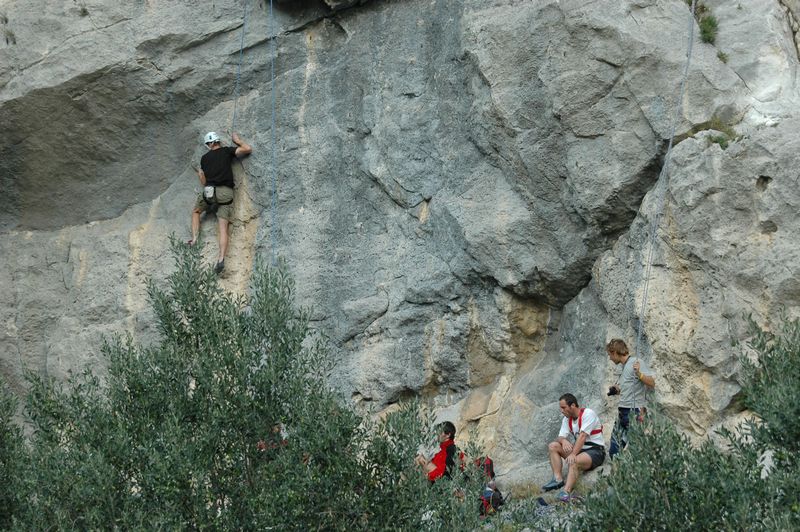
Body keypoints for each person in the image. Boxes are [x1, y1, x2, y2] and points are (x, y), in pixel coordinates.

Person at [188, 131, 252, 274]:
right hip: (226, 193)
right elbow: (247, 149)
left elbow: (204, 183)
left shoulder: (204, 158)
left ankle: (194, 239)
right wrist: (238, 140)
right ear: (218, 141)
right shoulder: (227, 151)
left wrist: (201, 175)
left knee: (196, 211)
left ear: (209, 144)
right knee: (223, 228)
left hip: (210, 192)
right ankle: (221, 258)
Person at [542, 393, 605, 502]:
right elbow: (560, 436)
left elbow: (582, 436)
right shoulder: (567, 419)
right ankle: (558, 480)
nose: (562, 411)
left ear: (573, 405)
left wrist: (573, 454)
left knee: (574, 461)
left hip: (595, 451)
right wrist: (563, 440)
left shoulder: (588, 414)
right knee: (553, 446)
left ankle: (566, 492)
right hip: (581, 450)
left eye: (563, 407)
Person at [606, 338, 655, 458]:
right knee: (614, 451)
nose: (610, 358)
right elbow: (629, 387)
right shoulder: (625, 366)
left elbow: (651, 382)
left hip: (634, 411)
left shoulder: (636, 363)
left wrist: (639, 373)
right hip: (623, 412)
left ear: (615, 352)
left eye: (610, 355)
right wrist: (616, 390)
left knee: (635, 450)